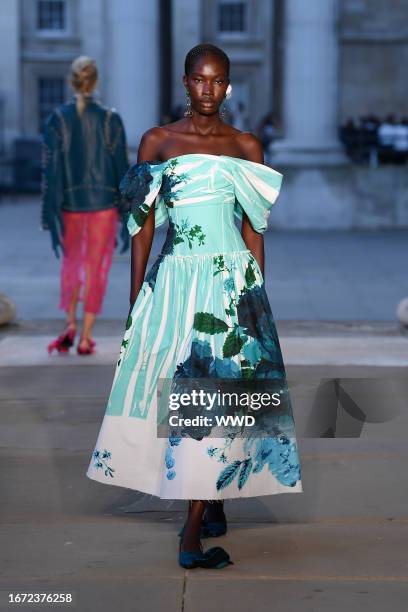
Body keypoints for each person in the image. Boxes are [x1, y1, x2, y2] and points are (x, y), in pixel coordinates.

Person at [86, 43, 303, 569]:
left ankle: (192, 531)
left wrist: (257, 302)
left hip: (229, 285)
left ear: (227, 86)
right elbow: (141, 230)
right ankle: (207, 510)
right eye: (199, 80)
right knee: (184, 390)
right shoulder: (158, 142)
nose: (208, 90)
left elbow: (254, 231)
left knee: (214, 392)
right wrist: (137, 300)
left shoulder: (246, 146)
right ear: (185, 82)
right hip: (175, 281)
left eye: (218, 82)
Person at [41, 56, 129, 355]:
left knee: (72, 264)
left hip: (70, 204)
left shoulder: (58, 118)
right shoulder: (110, 119)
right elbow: (122, 169)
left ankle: (70, 324)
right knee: (95, 269)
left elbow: (50, 169)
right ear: (96, 81)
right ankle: (86, 337)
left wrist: (48, 210)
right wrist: (128, 211)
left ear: (72, 81)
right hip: (104, 204)